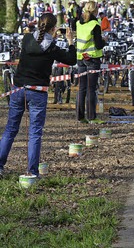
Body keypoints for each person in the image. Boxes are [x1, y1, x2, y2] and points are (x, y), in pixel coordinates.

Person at [0, 13, 77, 178]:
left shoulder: (27, 39)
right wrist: (71, 41)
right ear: (53, 28)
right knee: (35, 132)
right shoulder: (52, 47)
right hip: (37, 92)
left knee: (11, 129)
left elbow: (36, 44)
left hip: (18, 89)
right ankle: (32, 171)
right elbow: (71, 60)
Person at [76, 1, 106, 124]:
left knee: (81, 88)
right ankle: (92, 117)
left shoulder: (78, 23)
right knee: (91, 89)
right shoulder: (95, 24)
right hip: (92, 58)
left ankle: (80, 116)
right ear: (95, 11)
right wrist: (104, 40)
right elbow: (98, 45)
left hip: (80, 57)